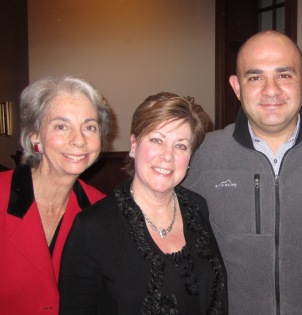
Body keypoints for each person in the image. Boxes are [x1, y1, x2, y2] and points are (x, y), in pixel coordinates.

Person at [181, 30, 302, 314]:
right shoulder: (204, 153)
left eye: (284, 75)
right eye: (255, 77)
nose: (271, 90)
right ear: (236, 86)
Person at [59, 92, 228, 314]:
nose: (168, 156)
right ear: (133, 144)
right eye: (157, 140)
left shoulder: (198, 208)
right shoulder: (92, 227)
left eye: (181, 146)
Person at [0, 75, 112, 314]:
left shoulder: (102, 209)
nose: (79, 140)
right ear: (35, 136)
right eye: (62, 126)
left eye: (89, 127)